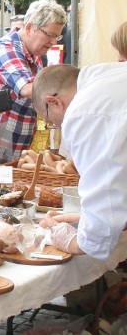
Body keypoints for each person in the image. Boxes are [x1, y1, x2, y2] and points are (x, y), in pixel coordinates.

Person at [34, 63, 127, 261]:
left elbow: (105, 186)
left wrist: (79, 242)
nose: (56, 126)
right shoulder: (108, 76)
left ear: (53, 102)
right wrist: (91, 220)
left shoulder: (83, 110)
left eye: (50, 121)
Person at [0, 0, 66, 158]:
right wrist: (68, 92)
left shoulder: (33, 53)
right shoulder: (5, 49)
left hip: (13, 147)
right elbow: (27, 88)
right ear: (30, 27)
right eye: (50, 35)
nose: (53, 42)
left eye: (57, 37)